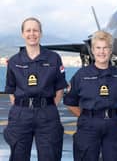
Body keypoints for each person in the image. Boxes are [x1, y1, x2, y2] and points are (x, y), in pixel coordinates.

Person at [63, 31, 117, 161]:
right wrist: (87, 116)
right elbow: (70, 101)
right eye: (98, 48)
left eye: (105, 48)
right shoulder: (81, 75)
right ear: (92, 50)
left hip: (114, 125)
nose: (102, 52)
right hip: (88, 126)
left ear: (111, 50)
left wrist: (112, 115)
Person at [4, 17, 68, 161]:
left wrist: (47, 106)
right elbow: (11, 90)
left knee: (50, 155)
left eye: (35, 30)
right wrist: (22, 108)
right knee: (18, 156)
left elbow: (59, 88)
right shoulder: (14, 61)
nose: (32, 34)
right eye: (28, 30)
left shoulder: (53, 58)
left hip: (47, 114)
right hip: (21, 115)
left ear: (41, 33)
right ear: (22, 34)